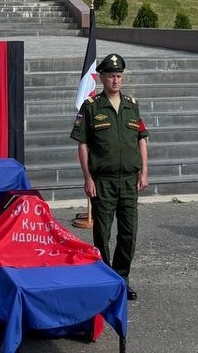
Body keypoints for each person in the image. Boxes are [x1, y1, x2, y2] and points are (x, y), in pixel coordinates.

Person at [71, 52, 149, 299]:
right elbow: (82, 144)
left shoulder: (131, 105)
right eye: (111, 76)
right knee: (102, 233)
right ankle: (105, 279)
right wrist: (87, 177)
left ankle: (122, 278)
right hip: (102, 181)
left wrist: (144, 171)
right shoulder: (91, 106)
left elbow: (142, 139)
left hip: (129, 180)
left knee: (128, 232)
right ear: (102, 78)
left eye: (119, 76)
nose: (116, 80)